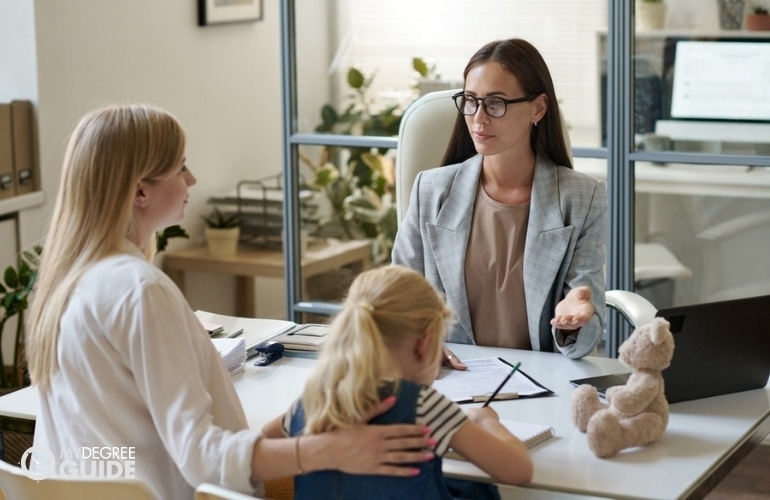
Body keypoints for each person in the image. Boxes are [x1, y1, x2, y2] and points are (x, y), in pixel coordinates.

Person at [26, 104, 434, 499]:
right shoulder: (139, 290)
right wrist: (330, 449)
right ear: (139, 191)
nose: (193, 179)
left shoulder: (70, 282)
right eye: (180, 166)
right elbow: (201, 460)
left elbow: (145, 441)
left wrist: (296, 422)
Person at [392, 38, 607, 364]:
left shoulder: (583, 199)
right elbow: (397, 298)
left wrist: (574, 323)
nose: (478, 118)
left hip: (540, 382)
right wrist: (419, 344)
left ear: (538, 108)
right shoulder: (431, 191)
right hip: (451, 376)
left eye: (495, 103)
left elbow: (584, 335)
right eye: (470, 101)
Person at [262, 264, 533, 500]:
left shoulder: (315, 398)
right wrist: (488, 422)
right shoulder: (424, 406)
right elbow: (518, 471)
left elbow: (263, 439)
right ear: (425, 345)